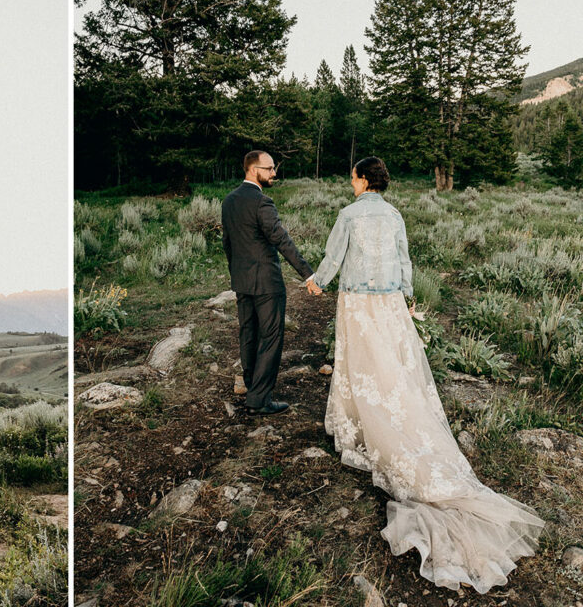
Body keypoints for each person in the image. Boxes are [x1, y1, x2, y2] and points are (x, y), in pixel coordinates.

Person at [310, 156, 544, 594]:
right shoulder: (394, 214)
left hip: (359, 304)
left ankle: (361, 423)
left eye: (353, 177)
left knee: (360, 365)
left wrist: (317, 281)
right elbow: (404, 261)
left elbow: (333, 256)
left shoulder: (349, 214)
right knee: (392, 368)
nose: (351, 183)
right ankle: (390, 414)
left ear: (363, 180)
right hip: (391, 302)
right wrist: (409, 298)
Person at [221, 150, 320, 415]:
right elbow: (281, 240)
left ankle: (253, 387)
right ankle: (259, 400)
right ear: (254, 170)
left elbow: (227, 244)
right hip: (266, 282)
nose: (274, 173)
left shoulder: (229, 201)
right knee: (271, 337)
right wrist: (308, 274)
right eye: (270, 169)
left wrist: (237, 273)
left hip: (242, 282)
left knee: (248, 335)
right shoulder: (262, 202)